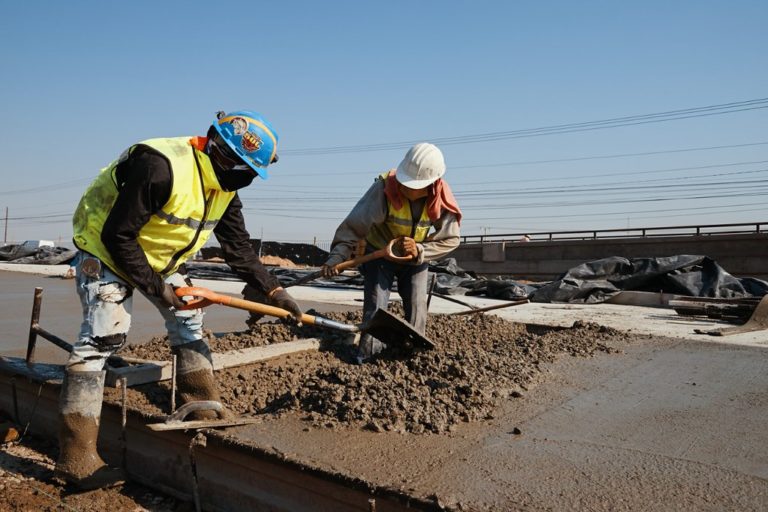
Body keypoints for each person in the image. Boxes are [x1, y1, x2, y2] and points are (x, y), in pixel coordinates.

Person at [57, 110, 303, 490]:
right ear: (222, 153)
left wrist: (275, 290)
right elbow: (118, 235)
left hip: (160, 257)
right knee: (105, 336)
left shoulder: (223, 188)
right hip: (105, 250)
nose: (246, 179)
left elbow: (238, 248)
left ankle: (200, 402)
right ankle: (76, 458)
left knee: (189, 321)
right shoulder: (161, 167)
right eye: (245, 169)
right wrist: (161, 290)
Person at [321, 143, 462, 363]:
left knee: (416, 303)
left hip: (415, 258)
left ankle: (413, 358)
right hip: (379, 254)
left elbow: (451, 239)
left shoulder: (440, 197)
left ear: (430, 183)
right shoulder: (384, 189)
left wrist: (420, 249)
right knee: (376, 305)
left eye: (412, 184)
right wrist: (336, 257)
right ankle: (367, 359)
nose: (405, 187)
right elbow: (353, 227)